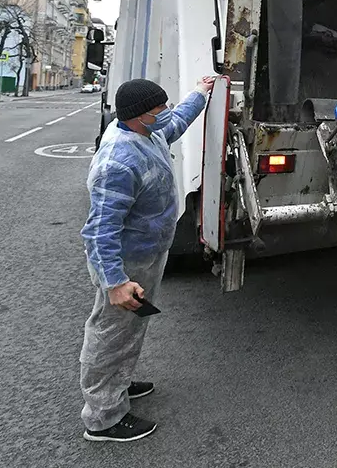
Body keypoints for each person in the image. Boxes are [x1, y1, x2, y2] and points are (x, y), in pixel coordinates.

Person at [79, 76, 216, 442]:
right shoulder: (118, 163)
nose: (165, 113)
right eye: (159, 109)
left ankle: (119, 384)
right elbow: (100, 230)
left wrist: (200, 94)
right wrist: (116, 283)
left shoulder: (146, 133)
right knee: (111, 334)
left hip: (149, 252)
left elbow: (175, 122)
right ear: (140, 116)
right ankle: (103, 418)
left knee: (130, 328)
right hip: (126, 263)